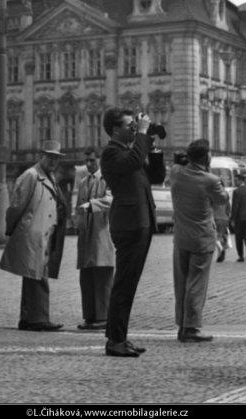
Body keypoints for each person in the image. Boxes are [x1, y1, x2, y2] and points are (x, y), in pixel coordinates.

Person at [100, 108, 166, 357]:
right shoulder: (111, 153)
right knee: (123, 284)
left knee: (129, 284)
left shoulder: (131, 152)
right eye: (129, 126)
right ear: (115, 129)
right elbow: (134, 163)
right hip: (129, 224)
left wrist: (153, 146)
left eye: (133, 126)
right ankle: (114, 340)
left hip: (142, 221)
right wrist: (141, 134)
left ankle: (120, 337)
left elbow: (156, 176)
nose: (133, 129)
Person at [0, 140, 68, 332]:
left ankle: (28, 318)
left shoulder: (49, 175)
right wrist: (12, 230)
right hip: (32, 233)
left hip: (44, 233)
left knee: (34, 275)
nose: (54, 161)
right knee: (37, 276)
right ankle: (38, 319)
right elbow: (16, 206)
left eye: (57, 158)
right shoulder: (31, 175)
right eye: (50, 156)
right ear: (41, 156)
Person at [170, 139, 228, 343]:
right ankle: (191, 328)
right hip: (201, 238)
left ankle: (181, 325)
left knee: (181, 283)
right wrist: (208, 170)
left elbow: (178, 163)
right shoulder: (210, 180)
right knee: (196, 284)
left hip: (180, 237)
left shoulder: (175, 172)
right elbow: (222, 200)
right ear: (206, 157)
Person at [74, 146, 114, 330]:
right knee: (87, 275)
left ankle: (103, 316)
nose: (89, 164)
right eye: (86, 161)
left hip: (102, 232)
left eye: (92, 160)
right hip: (86, 233)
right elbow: (77, 206)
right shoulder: (84, 182)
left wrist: (91, 205)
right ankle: (89, 316)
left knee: (102, 273)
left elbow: (111, 200)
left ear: (99, 160)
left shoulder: (108, 178)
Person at [231, 173, 246, 262]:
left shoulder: (236, 192)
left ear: (241, 181)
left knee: (239, 237)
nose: (235, 182)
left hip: (239, 218)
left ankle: (241, 256)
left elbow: (235, 206)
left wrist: (232, 218)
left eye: (236, 180)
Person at [213, 178, 232, 263]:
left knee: (216, 237)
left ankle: (220, 251)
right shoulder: (226, 194)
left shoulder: (214, 194)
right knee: (223, 236)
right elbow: (228, 208)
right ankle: (222, 253)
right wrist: (228, 217)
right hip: (225, 218)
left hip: (216, 218)